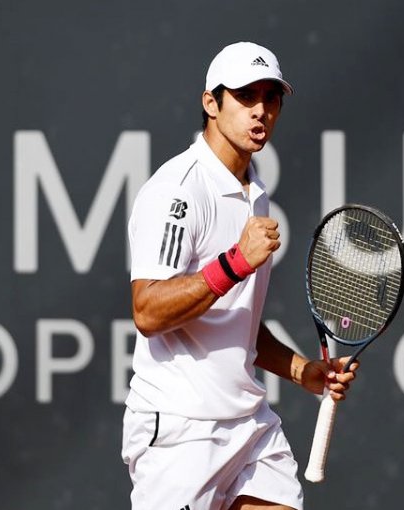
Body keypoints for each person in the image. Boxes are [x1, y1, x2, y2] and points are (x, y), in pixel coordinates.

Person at [122, 41, 358, 510]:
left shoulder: (255, 194)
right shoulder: (178, 191)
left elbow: (235, 320)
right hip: (181, 430)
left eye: (272, 98)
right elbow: (147, 311)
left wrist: (300, 371)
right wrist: (233, 263)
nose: (261, 111)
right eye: (246, 96)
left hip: (247, 424)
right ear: (211, 102)